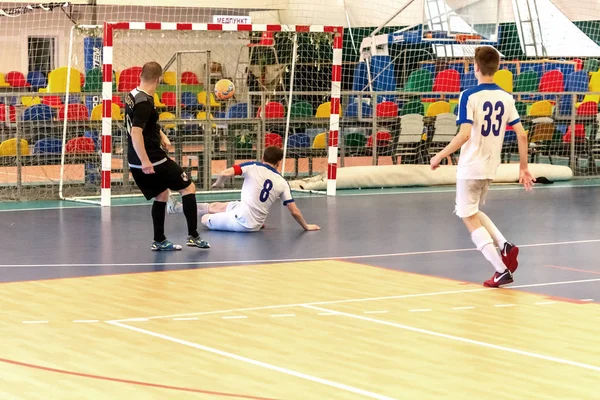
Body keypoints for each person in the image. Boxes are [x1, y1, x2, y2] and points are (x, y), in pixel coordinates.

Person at [430, 46, 535, 287]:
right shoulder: (507, 97)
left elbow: (465, 134)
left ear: (475, 67)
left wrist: (439, 156)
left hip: (471, 165)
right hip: (490, 166)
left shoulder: (469, 95)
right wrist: (523, 168)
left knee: (466, 215)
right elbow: (522, 135)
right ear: (497, 68)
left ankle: (500, 270)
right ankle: (505, 245)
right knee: (472, 210)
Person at [125, 61, 210, 251]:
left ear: (141, 75)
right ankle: (193, 236)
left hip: (135, 158)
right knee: (188, 188)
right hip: (153, 159)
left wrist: (162, 135)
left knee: (162, 195)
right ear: (159, 78)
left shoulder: (135, 94)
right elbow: (136, 132)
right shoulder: (144, 103)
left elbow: (145, 124)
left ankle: (159, 240)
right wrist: (146, 161)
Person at [167, 146, 320, 233]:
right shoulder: (282, 182)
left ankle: (226, 217)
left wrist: (219, 183)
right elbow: (294, 211)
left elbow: (225, 173)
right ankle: (176, 208)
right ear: (279, 162)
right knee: (214, 206)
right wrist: (306, 226)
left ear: (263, 157)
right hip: (249, 214)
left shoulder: (252, 166)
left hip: (243, 222)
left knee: (204, 218)